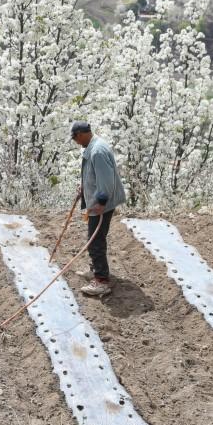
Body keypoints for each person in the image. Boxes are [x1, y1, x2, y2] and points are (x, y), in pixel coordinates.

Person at [70, 121, 126, 297]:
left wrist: (100, 203)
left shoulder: (97, 152)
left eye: (75, 138)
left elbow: (106, 182)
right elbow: (95, 176)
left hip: (102, 203)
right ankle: (96, 270)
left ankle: (101, 280)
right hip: (98, 200)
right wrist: (84, 189)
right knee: (95, 238)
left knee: (95, 242)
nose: (75, 142)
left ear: (81, 134)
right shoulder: (94, 147)